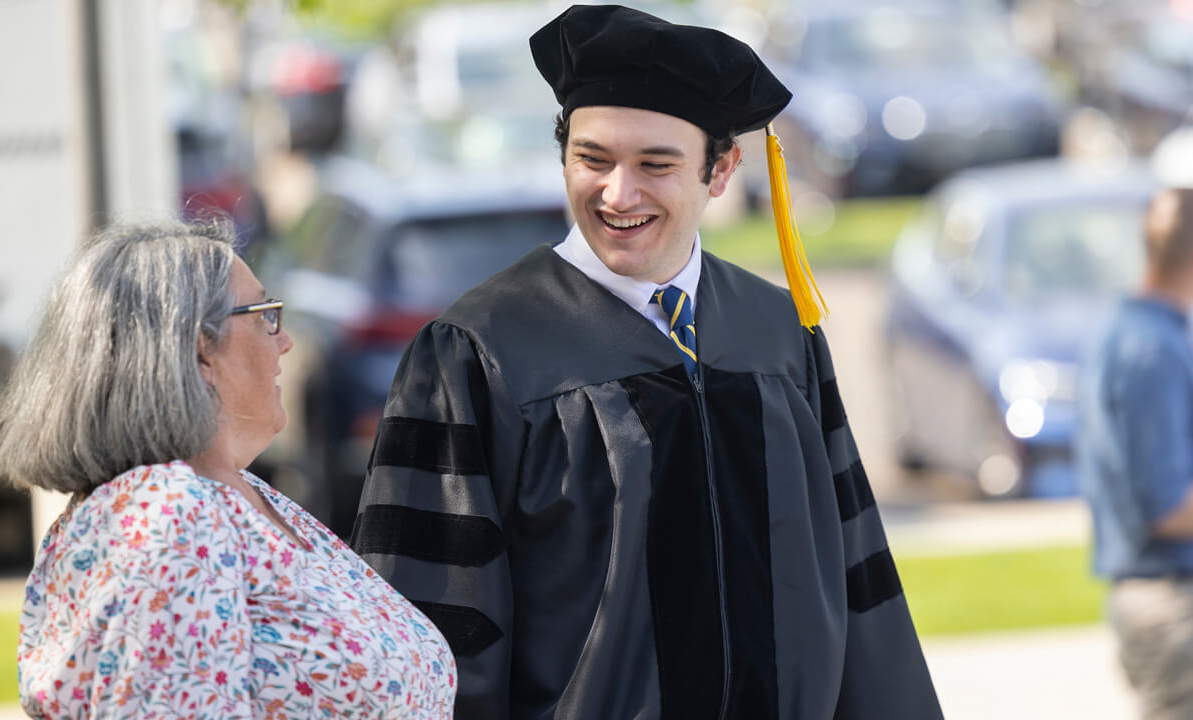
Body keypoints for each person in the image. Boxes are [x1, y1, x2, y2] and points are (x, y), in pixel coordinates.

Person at [350, 5, 941, 718]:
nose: (617, 193)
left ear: (721, 169)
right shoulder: (478, 352)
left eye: (654, 165)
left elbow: (858, 579)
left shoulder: (778, 333)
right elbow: (429, 633)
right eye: (591, 159)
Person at [0, 220, 456, 718]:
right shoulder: (170, 517)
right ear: (198, 349)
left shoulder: (235, 491)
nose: (285, 341)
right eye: (264, 315)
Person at [1077, 186, 1193, 719]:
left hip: (1155, 602)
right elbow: (1167, 508)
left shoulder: (1126, 332)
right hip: (1172, 607)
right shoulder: (1153, 350)